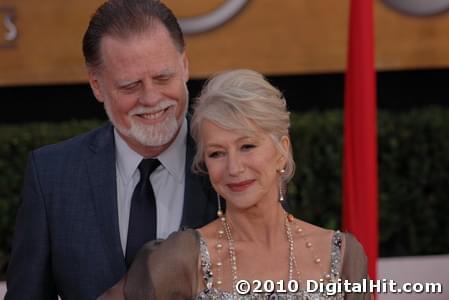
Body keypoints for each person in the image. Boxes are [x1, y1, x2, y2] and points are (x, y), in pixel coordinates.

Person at [5, 1, 218, 299]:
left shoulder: (232, 166)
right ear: (97, 86)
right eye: (130, 86)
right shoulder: (52, 176)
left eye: (162, 78)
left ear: (184, 66)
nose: (151, 98)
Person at [99, 69, 370, 300]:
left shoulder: (342, 255)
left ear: (282, 150)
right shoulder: (183, 257)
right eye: (217, 153)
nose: (234, 168)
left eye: (247, 146)